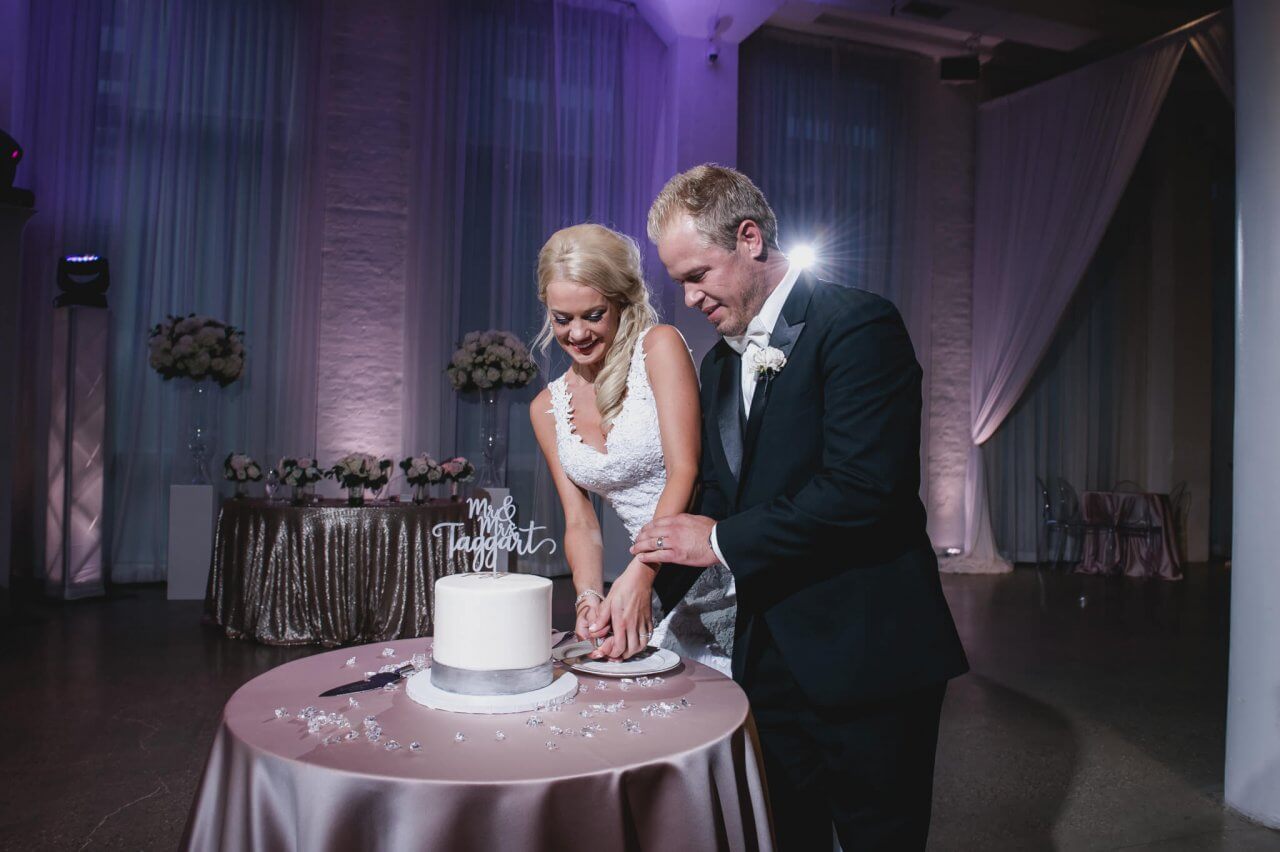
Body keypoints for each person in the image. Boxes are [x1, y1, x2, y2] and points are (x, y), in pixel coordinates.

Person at [632, 165, 969, 850]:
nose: (690, 298)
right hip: (771, 655)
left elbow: (862, 491)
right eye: (681, 283)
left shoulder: (857, 325)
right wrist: (641, 595)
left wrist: (720, 541)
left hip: (869, 649)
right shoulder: (723, 364)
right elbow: (719, 493)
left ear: (750, 238)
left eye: (698, 275)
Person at [529, 223, 736, 675]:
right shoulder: (547, 407)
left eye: (593, 315)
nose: (578, 334)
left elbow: (687, 472)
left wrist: (641, 573)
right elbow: (581, 523)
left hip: (713, 570)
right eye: (562, 319)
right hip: (647, 584)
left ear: (622, 301)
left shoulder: (658, 348)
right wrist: (588, 598)